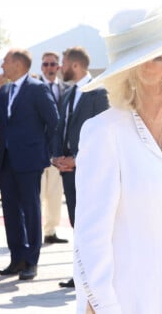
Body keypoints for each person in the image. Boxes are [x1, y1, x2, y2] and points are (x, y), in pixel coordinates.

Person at [72, 0, 162, 313]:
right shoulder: (104, 132)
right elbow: (90, 241)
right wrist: (103, 307)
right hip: (135, 302)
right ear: (132, 70)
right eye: (159, 57)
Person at [0, 48, 59, 281]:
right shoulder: (5, 89)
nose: (2, 67)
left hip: (29, 161)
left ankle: (31, 261)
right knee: (11, 212)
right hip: (6, 160)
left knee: (31, 210)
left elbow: (53, 122)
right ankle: (16, 258)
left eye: (5, 61)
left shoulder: (37, 89)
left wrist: (43, 152)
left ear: (18, 64)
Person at [51, 46, 109, 289]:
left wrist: (78, 158)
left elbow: (103, 135)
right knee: (77, 222)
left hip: (90, 170)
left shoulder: (99, 92)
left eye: (63, 63)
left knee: (93, 224)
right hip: (68, 170)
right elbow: (61, 128)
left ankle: (96, 275)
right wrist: (57, 157)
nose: (60, 68)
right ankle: (81, 274)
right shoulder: (67, 93)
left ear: (75, 65)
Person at [38, 51, 69, 244]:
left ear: (58, 67)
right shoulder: (34, 87)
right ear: (41, 67)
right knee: (37, 195)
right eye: (46, 64)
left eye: (53, 64)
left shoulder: (66, 89)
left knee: (55, 195)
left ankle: (50, 231)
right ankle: (32, 232)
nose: (49, 68)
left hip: (59, 152)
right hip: (38, 151)